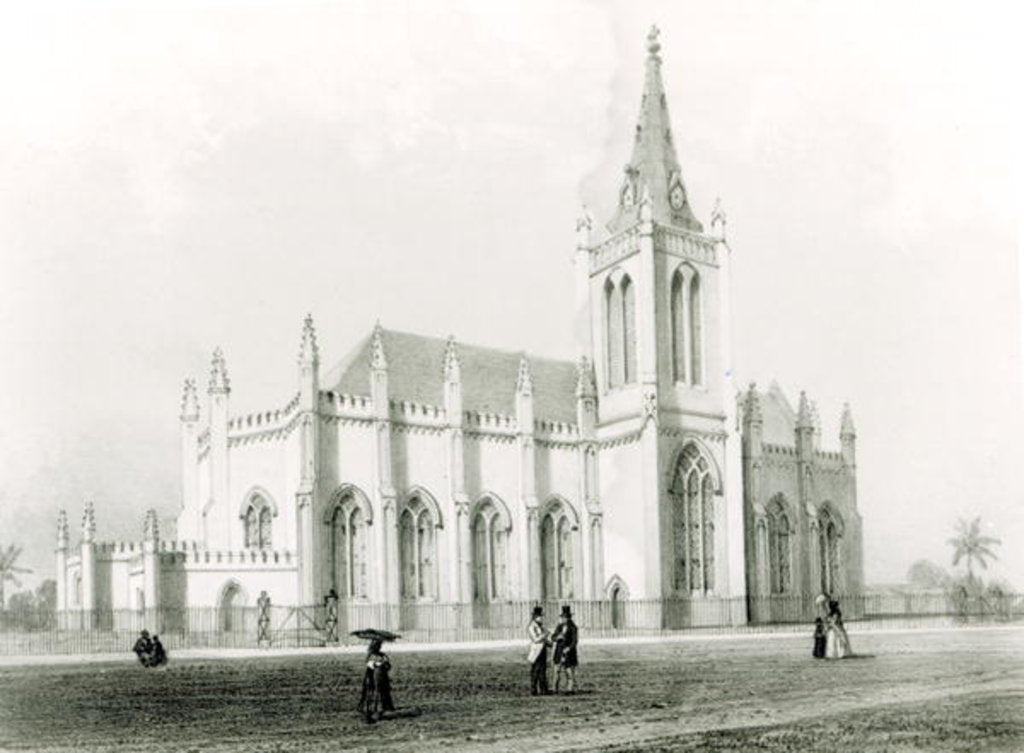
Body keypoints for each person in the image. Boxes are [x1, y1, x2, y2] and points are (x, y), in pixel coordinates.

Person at [357, 638, 395, 723]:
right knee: (372, 692)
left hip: (381, 677)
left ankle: (380, 709)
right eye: (378, 645)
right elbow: (369, 664)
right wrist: (376, 664)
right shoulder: (371, 655)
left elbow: (388, 665)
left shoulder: (382, 655)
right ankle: (371, 710)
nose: (379, 647)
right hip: (372, 677)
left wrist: (384, 664)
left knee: (381, 692)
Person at [551, 605, 579, 693]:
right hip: (559, 651)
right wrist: (557, 637)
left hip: (569, 653)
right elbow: (553, 637)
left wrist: (568, 648)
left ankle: (570, 689)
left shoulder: (573, 627)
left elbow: (574, 641)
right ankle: (554, 689)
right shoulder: (559, 627)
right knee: (556, 671)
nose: (563, 619)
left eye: (565, 617)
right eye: (562, 617)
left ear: (569, 618)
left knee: (569, 672)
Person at [527, 606, 551, 696]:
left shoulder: (541, 627)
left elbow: (544, 639)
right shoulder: (531, 627)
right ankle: (534, 689)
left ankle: (543, 689)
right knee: (536, 670)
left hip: (542, 650)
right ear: (535, 617)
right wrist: (545, 635)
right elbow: (536, 639)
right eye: (540, 616)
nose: (541, 618)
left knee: (543, 670)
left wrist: (550, 643)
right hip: (536, 651)